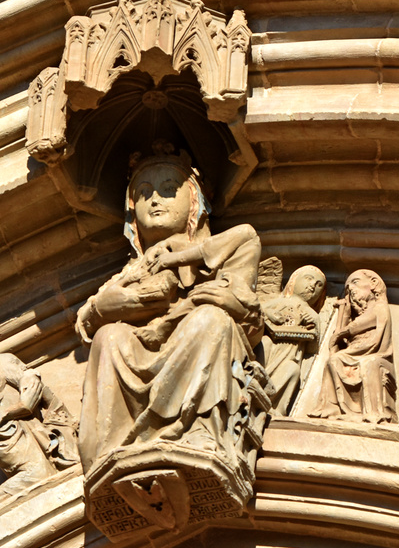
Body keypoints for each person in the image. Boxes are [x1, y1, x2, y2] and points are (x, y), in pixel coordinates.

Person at [74, 143, 263, 471]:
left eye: (168, 189)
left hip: (200, 334)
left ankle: (202, 428)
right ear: (133, 212)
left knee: (210, 321)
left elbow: (246, 309)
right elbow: (93, 313)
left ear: (194, 203)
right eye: (144, 193)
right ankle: (111, 447)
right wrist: (105, 308)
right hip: (141, 345)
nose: (155, 200)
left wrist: (180, 265)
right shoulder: (133, 269)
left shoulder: (219, 250)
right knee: (109, 338)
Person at [0, 352, 79, 501]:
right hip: (31, 464)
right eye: (15, 363)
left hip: (44, 456)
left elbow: (60, 423)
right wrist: (23, 405)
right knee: (41, 474)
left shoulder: (23, 398)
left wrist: (46, 395)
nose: (24, 366)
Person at [310, 269, 395, 422]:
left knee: (369, 363)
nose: (351, 290)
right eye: (348, 289)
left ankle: (373, 413)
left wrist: (345, 331)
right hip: (354, 352)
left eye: (355, 283)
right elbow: (339, 338)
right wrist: (345, 314)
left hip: (373, 353)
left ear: (374, 283)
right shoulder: (359, 313)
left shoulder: (379, 306)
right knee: (333, 360)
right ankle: (332, 408)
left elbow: (362, 323)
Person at [261, 265, 325, 414]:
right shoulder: (280, 302)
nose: (312, 286)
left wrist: (314, 324)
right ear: (293, 281)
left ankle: (274, 407)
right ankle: (254, 386)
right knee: (264, 344)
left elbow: (312, 349)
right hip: (271, 348)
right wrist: (268, 314)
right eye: (308, 279)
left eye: (318, 285)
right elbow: (258, 310)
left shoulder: (313, 314)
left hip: (290, 355)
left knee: (293, 370)